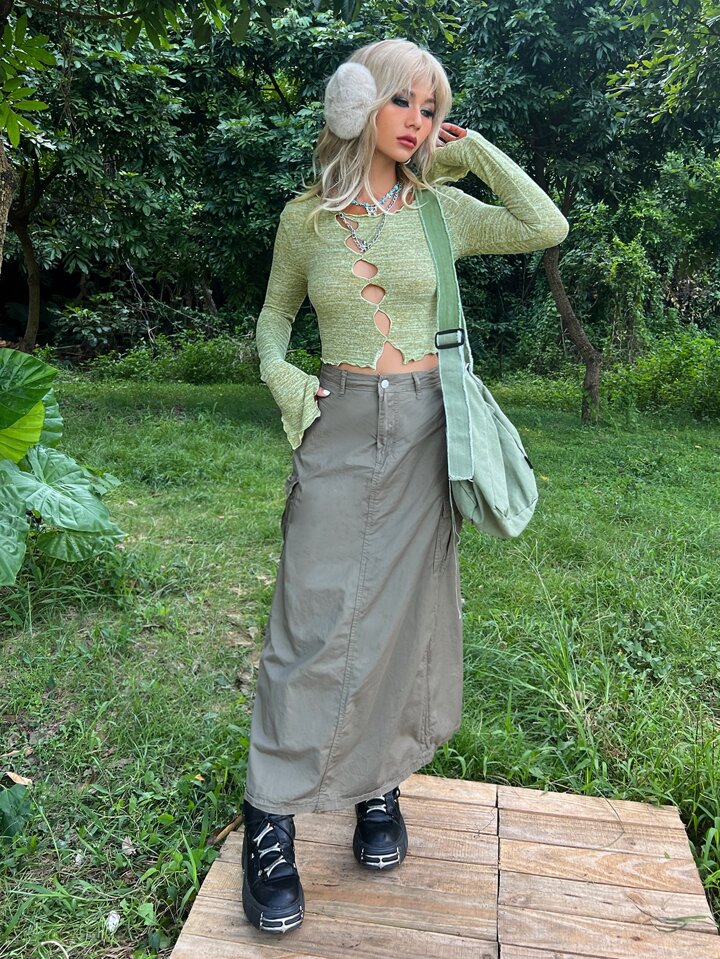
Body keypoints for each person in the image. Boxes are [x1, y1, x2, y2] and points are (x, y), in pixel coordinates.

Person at [242, 38, 569, 935]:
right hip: (339, 422)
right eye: (404, 102)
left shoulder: (440, 212)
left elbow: (545, 225)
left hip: (429, 428)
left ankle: (377, 785)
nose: (419, 122)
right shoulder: (304, 220)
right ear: (360, 103)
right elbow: (273, 318)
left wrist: (475, 152)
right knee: (309, 621)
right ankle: (269, 816)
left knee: (403, 616)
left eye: (432, 109)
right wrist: (281, 376)